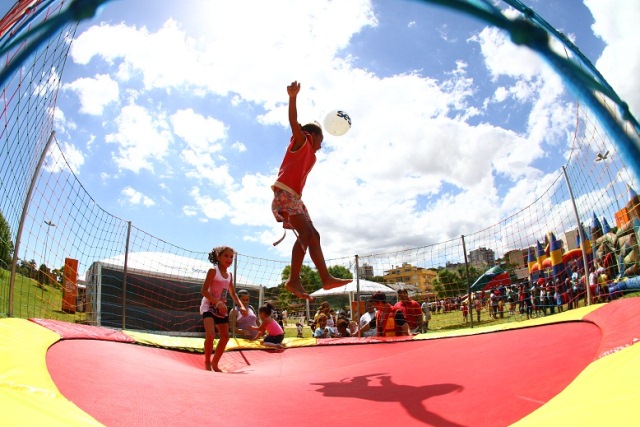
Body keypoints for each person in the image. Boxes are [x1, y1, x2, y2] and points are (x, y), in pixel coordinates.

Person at [271, 81, 352, 300]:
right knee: (307, 234)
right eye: (321, 140)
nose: (321, 145)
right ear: (312, 135)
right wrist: (293, 97)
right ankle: (293, 279)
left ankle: (325, 278)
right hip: (285, 193)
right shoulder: (302, 141)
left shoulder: (309, 152)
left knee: (313, 235)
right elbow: (293, 122)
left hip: (294, 197)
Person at [200, 246, 247, 372]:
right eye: (226, 256)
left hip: (221, 309)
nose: (229, 259)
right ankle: (207, 362)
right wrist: (216, 302)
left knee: (225, 337)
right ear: (218, 257)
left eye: (231, 257)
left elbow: (233, 293)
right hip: (209, 307)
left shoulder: (229, 275)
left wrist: (241, 306)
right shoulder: (213, 271)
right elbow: (204, 291)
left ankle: (215, 363)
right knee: (210, 334)